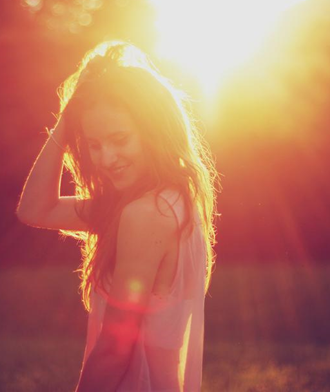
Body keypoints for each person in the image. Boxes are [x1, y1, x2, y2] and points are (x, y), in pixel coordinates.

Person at [16, 41, 219, 392]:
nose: (106, 158)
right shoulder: (169, 199)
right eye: (94, 144)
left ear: (154, 131)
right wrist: (69, 118)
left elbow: (115, 349)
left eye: (120, 139)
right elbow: (34, 209)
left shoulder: (147, 213)